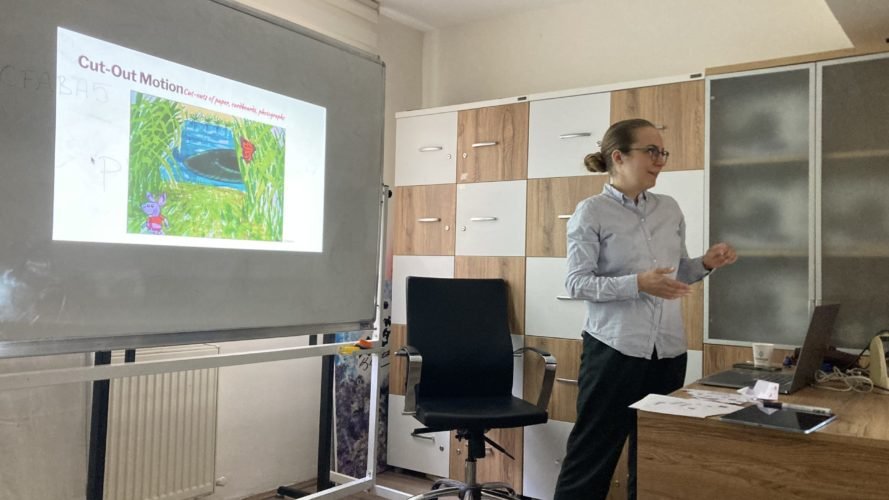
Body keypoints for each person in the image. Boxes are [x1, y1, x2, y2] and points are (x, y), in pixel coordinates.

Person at [553, 118, 737, 500]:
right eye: (651, 151)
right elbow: (577, 283)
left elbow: (676, 272)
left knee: (655, 458)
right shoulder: (592, 212)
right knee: (591, 457)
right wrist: (637, 283)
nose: (660, 160)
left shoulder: (669, 209)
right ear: (618, 157)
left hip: (667, 351)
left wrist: (706, 262)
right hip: (614, 350)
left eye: (662, 152)